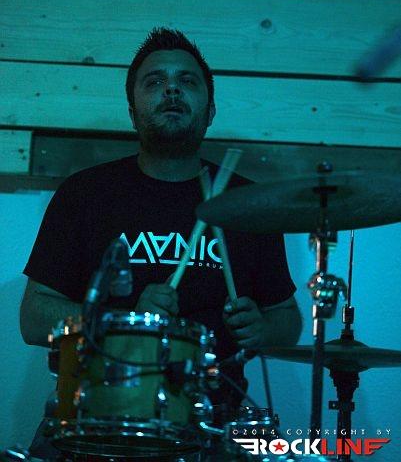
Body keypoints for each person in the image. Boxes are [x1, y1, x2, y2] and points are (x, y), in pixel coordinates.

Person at [20, 27, 302, 453]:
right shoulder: (84, 194)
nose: (172, 89)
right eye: (154, 82)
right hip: (100, 416)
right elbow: (33, 318)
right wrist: (128, 321)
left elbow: (288, 320)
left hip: (214, 420)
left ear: (210, 111)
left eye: (187, 81)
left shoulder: (249, 204)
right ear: (133, 112)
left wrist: (262, 328)